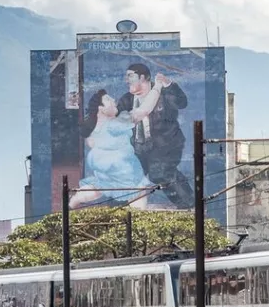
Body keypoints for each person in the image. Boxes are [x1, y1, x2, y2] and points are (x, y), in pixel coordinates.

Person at [116, 63, 192, 206]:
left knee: (161, 173)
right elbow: (116, 117)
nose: (126, 80)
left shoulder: (163, 94)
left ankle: (190, 205)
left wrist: (168, 84)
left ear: (142, 77)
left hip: (164, 144)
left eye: (130, 76)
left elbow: (182, 103)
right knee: (128, 175)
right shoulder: (127, 99)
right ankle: (120, 211)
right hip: (138, 146)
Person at [76, 89, 155, 210]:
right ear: (101, 108)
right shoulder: (115, 123)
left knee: (111, 191)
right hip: (121, 171)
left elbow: (91, 142)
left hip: (110, 171)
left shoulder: (98, 127)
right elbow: (144, 110)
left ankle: (72, 203)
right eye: (108, 99)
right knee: (136, 192)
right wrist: (157, 87)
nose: (114, 100)